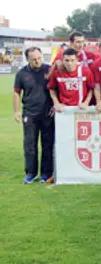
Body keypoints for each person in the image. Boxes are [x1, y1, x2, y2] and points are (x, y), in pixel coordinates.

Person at [13, 47, 55, 184]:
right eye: (33, 59)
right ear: (28, 60)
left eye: (39, 58)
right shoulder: (21, 74)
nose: (37, 61)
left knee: (47, 144)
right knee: (30, 145)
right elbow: (16, 92)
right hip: (30, 114)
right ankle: (30, 173)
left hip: (47, 113)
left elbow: (56, 89)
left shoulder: (49, 70)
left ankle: (46, 173)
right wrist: (16, 111)